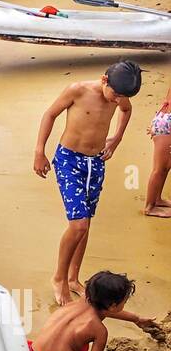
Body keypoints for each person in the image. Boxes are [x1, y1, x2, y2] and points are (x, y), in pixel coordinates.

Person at [33, 61, 141, 304]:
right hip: (69, 160)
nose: (117, 100)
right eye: (115, 94)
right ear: (104, 80)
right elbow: (50, 114)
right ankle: (59, 278)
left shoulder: (119, 96)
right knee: (78, 225)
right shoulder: (78, 90)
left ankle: (73, 278)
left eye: (122, 97)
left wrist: (116, 139)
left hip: (95, 163)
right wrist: (39, 152)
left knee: (86, 224)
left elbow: (126, 110)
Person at [28, 272, 155, 351]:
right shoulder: (99, 330)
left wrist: (136, 319)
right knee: (82, 345)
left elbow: (102, 311)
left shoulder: (74, 303)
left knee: (50, 340)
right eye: (124, 301)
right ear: (113, 306)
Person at [145, 80, 171, 217]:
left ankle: (157, 199)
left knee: (165, 167)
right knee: (159, 169)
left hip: (164, 119)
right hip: (167, 124)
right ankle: (149, 207)